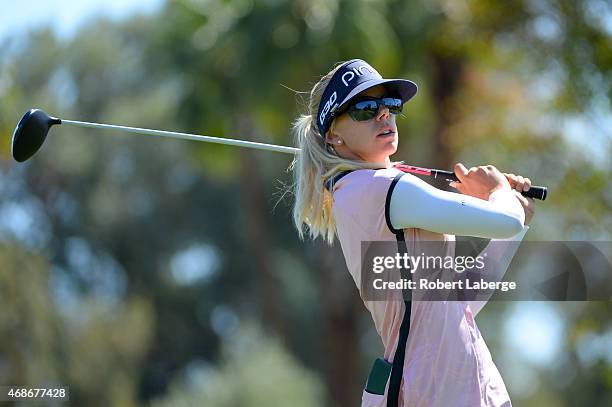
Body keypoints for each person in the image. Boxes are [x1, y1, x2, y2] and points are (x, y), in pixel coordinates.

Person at [288, 59, 536, 407]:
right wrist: (500, 195)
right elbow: (503, 219)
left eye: (389, 105)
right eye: (364, 109)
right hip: (435, 391)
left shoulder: (362, 191)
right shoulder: (381, 189)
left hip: (466, 385)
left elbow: (456, 301)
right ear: (333, 134)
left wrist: (515, 217)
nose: (383, 115)